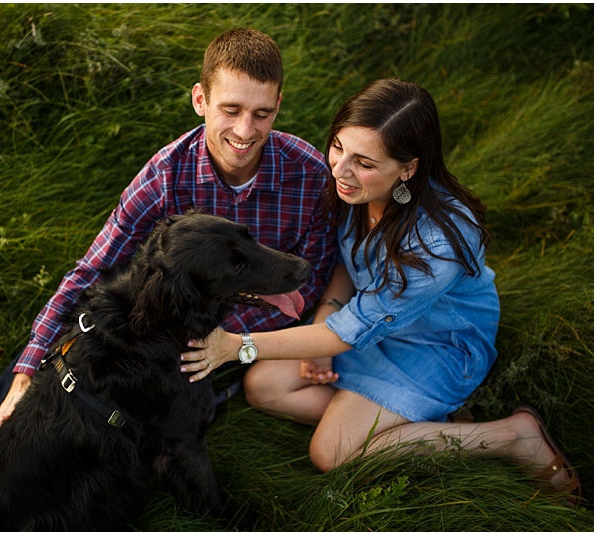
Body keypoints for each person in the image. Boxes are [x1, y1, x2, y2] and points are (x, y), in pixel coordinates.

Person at [0, 28, 336, 525]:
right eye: (231, 110)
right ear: (200, 99)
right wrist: (26, 371)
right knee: (78, 339)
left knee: (114, 390)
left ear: (279, 105)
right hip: (173, 316)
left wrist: (228, 340)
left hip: (252, 334)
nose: (245, 130)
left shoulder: (308, 173)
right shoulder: (164, 176)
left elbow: (313, 275)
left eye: (262, 114)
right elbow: (91, 271)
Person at [181, 78, 582, 504]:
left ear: (408, 168)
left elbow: (347, 333)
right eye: (338, 147)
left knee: (330, 452)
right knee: (263, 387)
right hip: (369, 328)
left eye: (364, 162)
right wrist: (323, 318)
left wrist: (235, 346)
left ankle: (510, 436)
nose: (338, 170)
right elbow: (348, 265)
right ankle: (406, 419)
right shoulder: (356, 190)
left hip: (437, 347)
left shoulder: (439, 244)